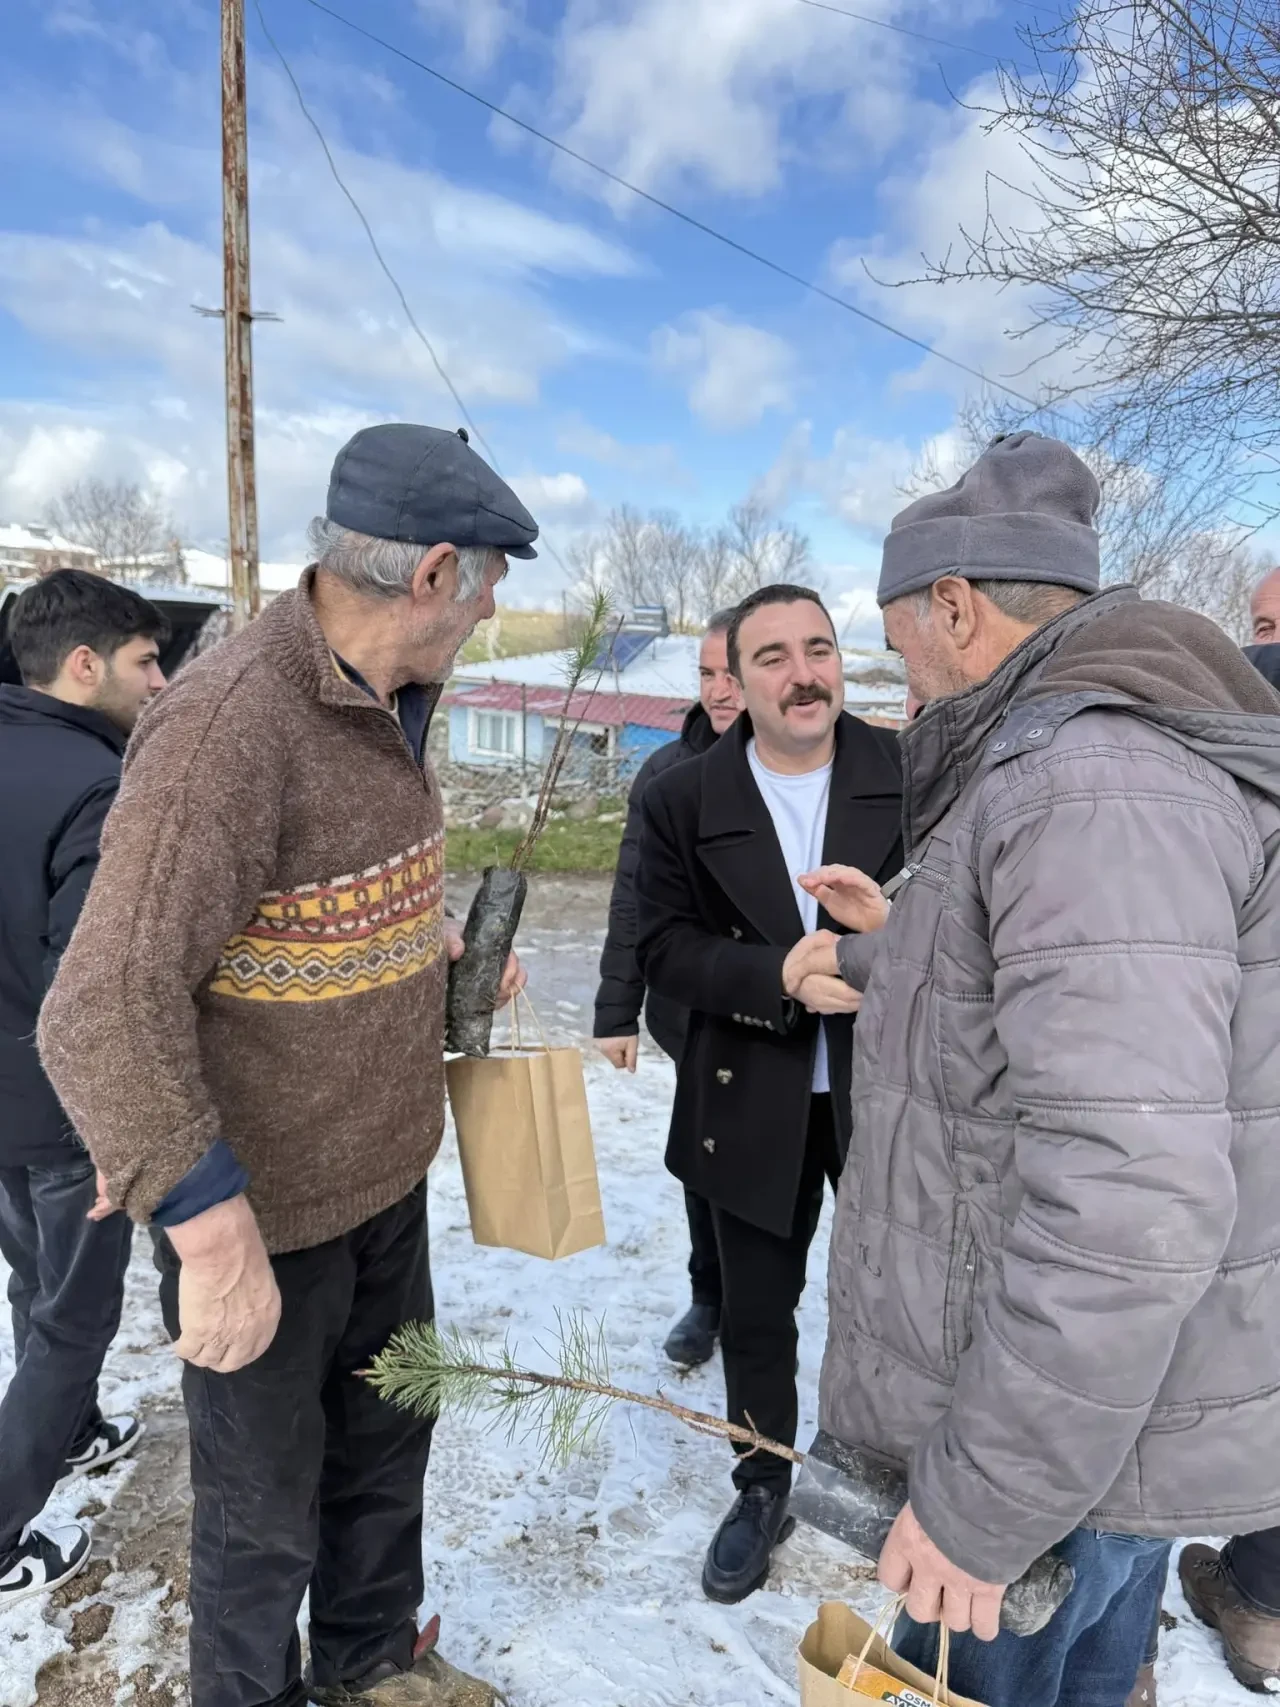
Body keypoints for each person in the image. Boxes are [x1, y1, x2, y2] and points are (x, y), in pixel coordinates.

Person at [39, 424, 534, 1707]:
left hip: (384, 1178)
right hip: (265, 1216)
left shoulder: (389, 695)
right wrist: (208, 1234)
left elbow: (284, 897)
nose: (490, 613)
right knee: (262, 1525)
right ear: (432, 572)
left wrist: (410, 935)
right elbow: (98, 1007)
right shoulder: (227, 728)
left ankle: (369, 1667)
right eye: (487, 585)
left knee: (385, 1453)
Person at [787, 431, 1280, 1707]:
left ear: (953, 604)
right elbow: (1106, 1026)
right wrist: (893, 961)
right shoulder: (1094, 763)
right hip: (1104, 1421)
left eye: (897, 642)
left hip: (1051, 1451)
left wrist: (978, 1503)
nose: (897, 677)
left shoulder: (1090, 783)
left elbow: (1130, 1197)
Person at [633, 584, 903, 1604]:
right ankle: (761, 1480)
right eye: (774, 657)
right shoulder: (679, 797)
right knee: (756, 1309)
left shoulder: (904, 771)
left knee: (903, 1301)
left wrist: (881, 940)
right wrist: (773, 976)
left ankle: (909, 1479)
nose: (803, 674)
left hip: (885, 1091)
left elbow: (960, 911)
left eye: (820, 650)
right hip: (750, 1085)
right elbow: (660, 946)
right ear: (734, 683)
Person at [0, 570, 165, 1608]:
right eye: (148, 662)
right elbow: (86, 991)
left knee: (34, 1283)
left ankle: (76, 1427)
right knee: (72, 1317)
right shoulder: (96, 785)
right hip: (59, 1114)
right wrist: (117, 1131)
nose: (162, 682)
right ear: (83, 665)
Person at [593, 609, 742, 1367]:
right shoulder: (666, 774)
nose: (719, 690)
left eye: (733, 672)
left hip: (788, 1012)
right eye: (707, 673)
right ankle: (709, 1297)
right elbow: (633, 897)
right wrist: (616, 1008)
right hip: (694, 1014)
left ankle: (765, 1304)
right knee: (706, 1161)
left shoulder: (816, 764)